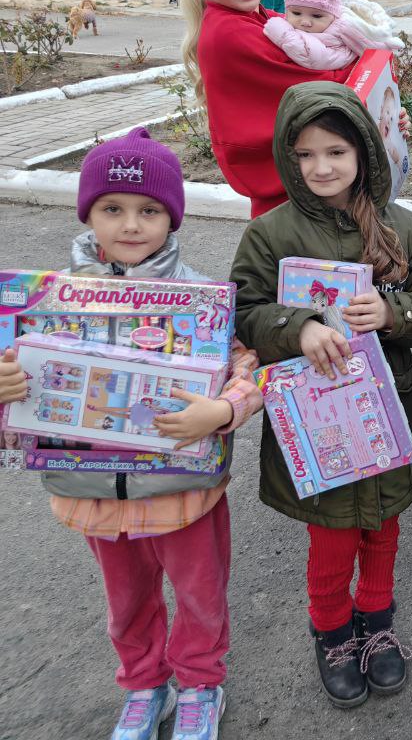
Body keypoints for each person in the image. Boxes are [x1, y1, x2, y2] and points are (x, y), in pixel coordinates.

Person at [0, 127, 262, 740]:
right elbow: (21, 399)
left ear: (172, 218)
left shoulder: (200, 299)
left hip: (181, 492)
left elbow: (245, 369)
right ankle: (145, 686)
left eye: (149, 210)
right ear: (88, 213)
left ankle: (199, 684)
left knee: (199, 595)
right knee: (126, 603)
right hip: (92, 493)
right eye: (112, 208)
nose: (131, 224)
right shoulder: (43, 302)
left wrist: (222, 412)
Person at [229, 82, 412, 707]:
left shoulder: (401, 225)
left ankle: (376, 622)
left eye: (336, 151)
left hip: (388, 411)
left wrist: (392, 312)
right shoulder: (270, 233)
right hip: (314, 421)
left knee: (382, 527)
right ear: (287, 156)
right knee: (331, 537)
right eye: (304, 154)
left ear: (364, 153)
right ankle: (331, 631)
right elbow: (243, 310)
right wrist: (298, 327)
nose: (321, 167)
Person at [181, 0, 355, 218]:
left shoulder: (262, 17)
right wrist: (371, 68)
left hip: (310, 190)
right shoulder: (230, 32)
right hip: (297, 204)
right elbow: (330, 88)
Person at [263, 0, 404, 70]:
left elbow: (312, 58)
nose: (305, 22)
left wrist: (281, 32)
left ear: (334, 15)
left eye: (316, 16)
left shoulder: (342, 29)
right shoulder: (291, 23)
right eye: (296, 13)